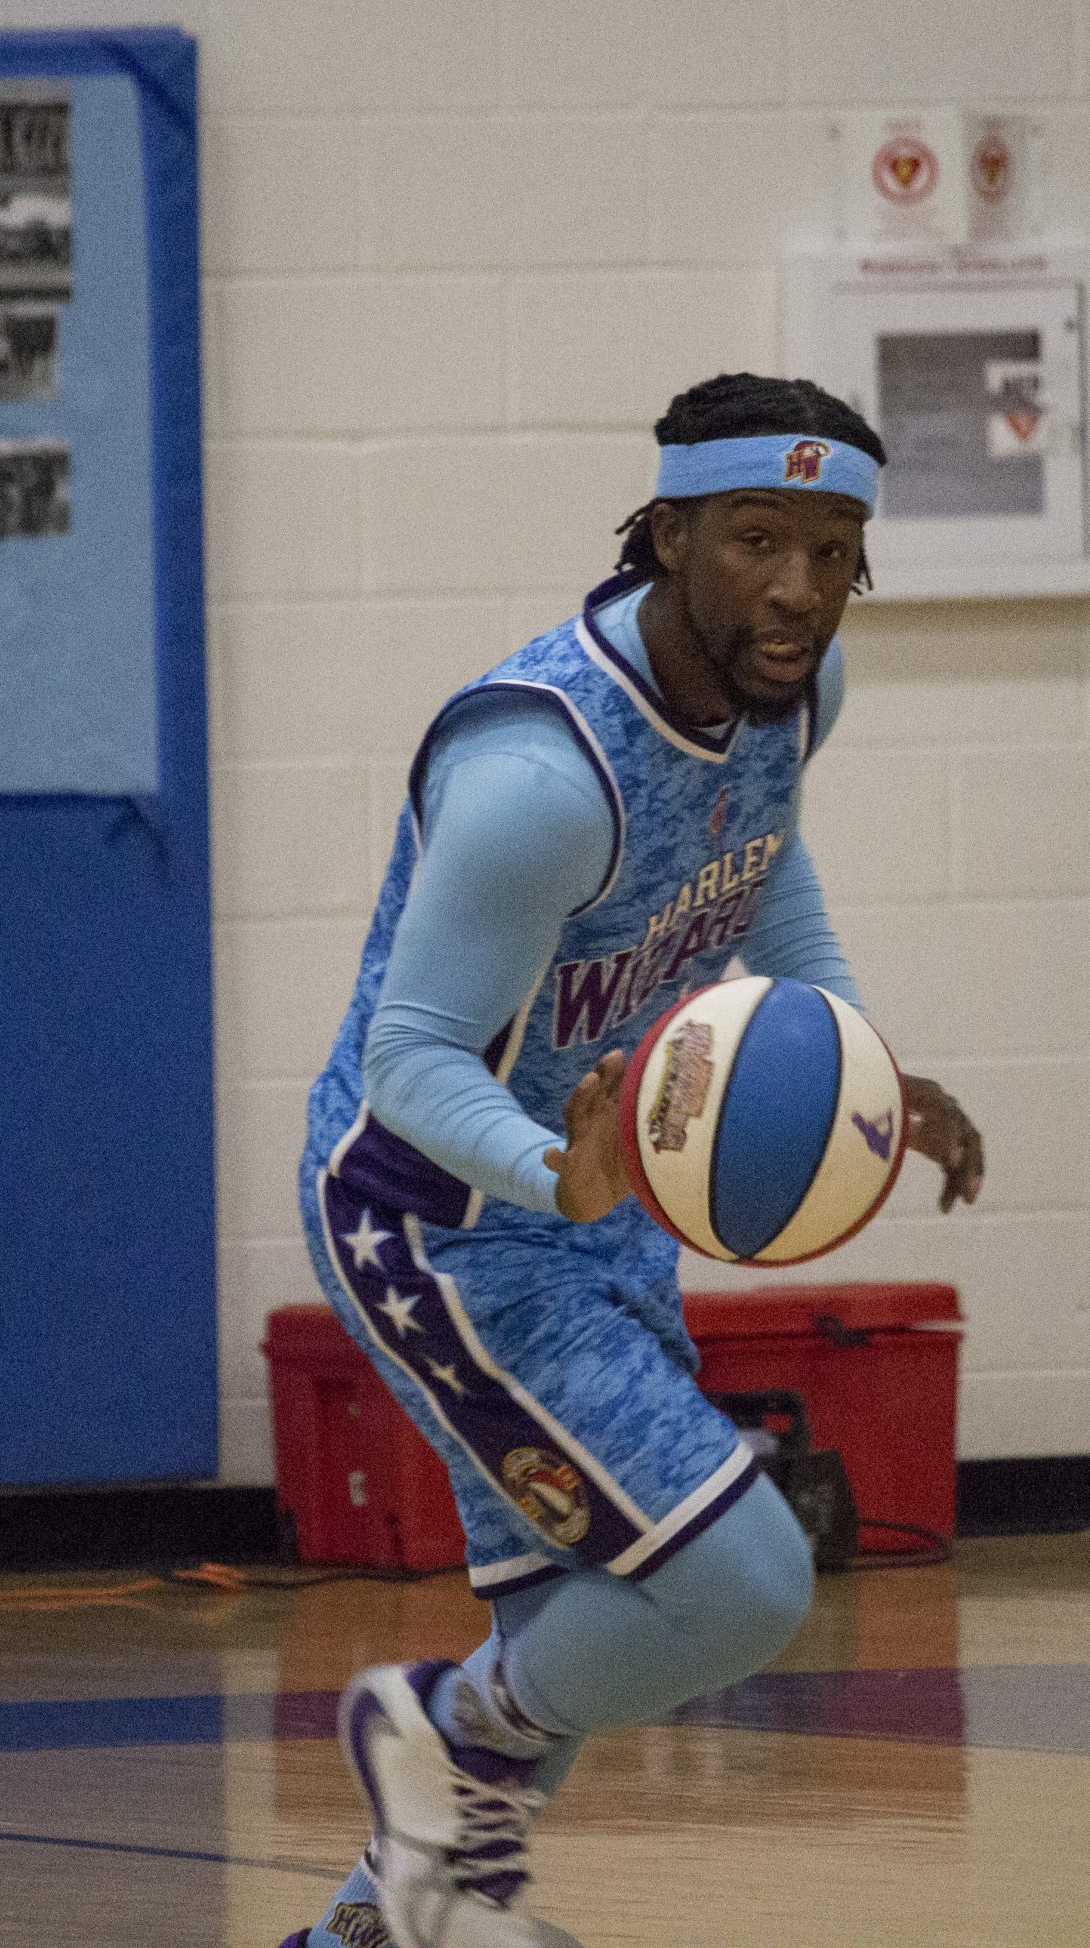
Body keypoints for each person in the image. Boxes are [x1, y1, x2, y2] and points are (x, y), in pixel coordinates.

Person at [282, 373, 984, 1948]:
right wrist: (555, 1176)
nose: (799, 588)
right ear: (667, 534)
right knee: (735, 1580)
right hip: (438, 1219)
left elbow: (763, 857)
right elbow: (406, 1065)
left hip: (600, 1201)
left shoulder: (799, 690)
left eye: (833, 545)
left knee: (598, 1610)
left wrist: (854, 1058)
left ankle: (371, 1932)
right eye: (754, 540)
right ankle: (442, 1737)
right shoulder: (541, 781)